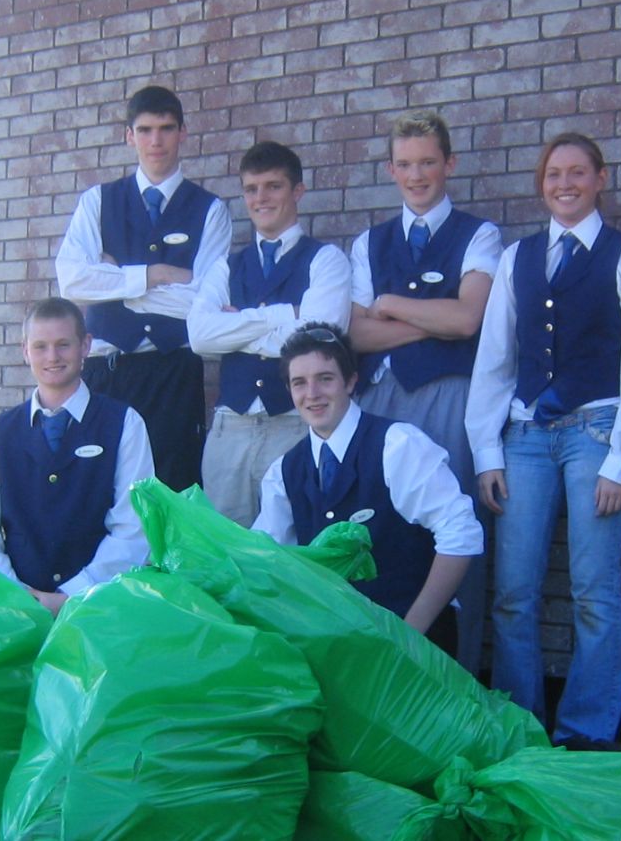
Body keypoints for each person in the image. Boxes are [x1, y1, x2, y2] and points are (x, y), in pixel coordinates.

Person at [465, 133, 621, 749]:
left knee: (593, 593)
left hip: (596, 435)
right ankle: (523, 730)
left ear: (601, 178)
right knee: (513, 594)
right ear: (541, 182)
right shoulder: (516, 259)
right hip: (524, 437)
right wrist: (487, 452)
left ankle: (585, 735)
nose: (565, 183)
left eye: (577, 172)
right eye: (553, 174)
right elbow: (494, 361)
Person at [348, 109, 502, 672]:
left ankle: (460, 676)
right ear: (391, 169)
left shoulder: (479, 233)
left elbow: (468, 320)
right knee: (384, 528)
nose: (418, 176)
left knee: (455, 530)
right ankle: (389, 668)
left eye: (429, 163)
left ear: (449, 164)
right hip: (381, 397)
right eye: (406, 165)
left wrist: (389, 304)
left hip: (450, 397)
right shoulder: (369, 242)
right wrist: (430, 319)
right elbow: (356, 333)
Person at [253, 323, 483, 656]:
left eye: (325, 378)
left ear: (350, 381)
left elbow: (462, 535)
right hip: (335, 652)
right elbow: (268, 559)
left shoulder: (399, 446)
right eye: (299, 383)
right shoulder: (283, 472)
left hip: (418, 655)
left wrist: (409, 633)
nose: (312, 393)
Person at [55, 84, 232, 491]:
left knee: (172, 489)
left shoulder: (210, 210)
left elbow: (203, 303)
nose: (156, 140)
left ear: (183, 133)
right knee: (98, 488)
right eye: (146, 129)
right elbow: (73, 281)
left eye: (166, 129)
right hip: (107, 370)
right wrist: (154, 274)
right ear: (129, 135)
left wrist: (114, 282)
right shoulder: (97, 202)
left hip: (173, 372)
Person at [187, 141, 351, 526]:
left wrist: (237, 323)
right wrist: (282, 316)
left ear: (297, 191)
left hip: (295, 423)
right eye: (251, 189)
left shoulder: (325, 259)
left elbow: (321, 339)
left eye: (273, 186)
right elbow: (199, 336)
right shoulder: (226, 267)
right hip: (231, 428)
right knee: (225, 551)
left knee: (293, 546)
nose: (261, 198)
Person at [0, 297, 154, 615]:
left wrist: (73, 595)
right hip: (15, 612)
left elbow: (133, 529)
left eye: (63, 344)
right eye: (40, 347)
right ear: (25, 351)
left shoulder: (125, 424)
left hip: (100, 609)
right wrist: (21, 599)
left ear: (85, 346)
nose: (52, 357)